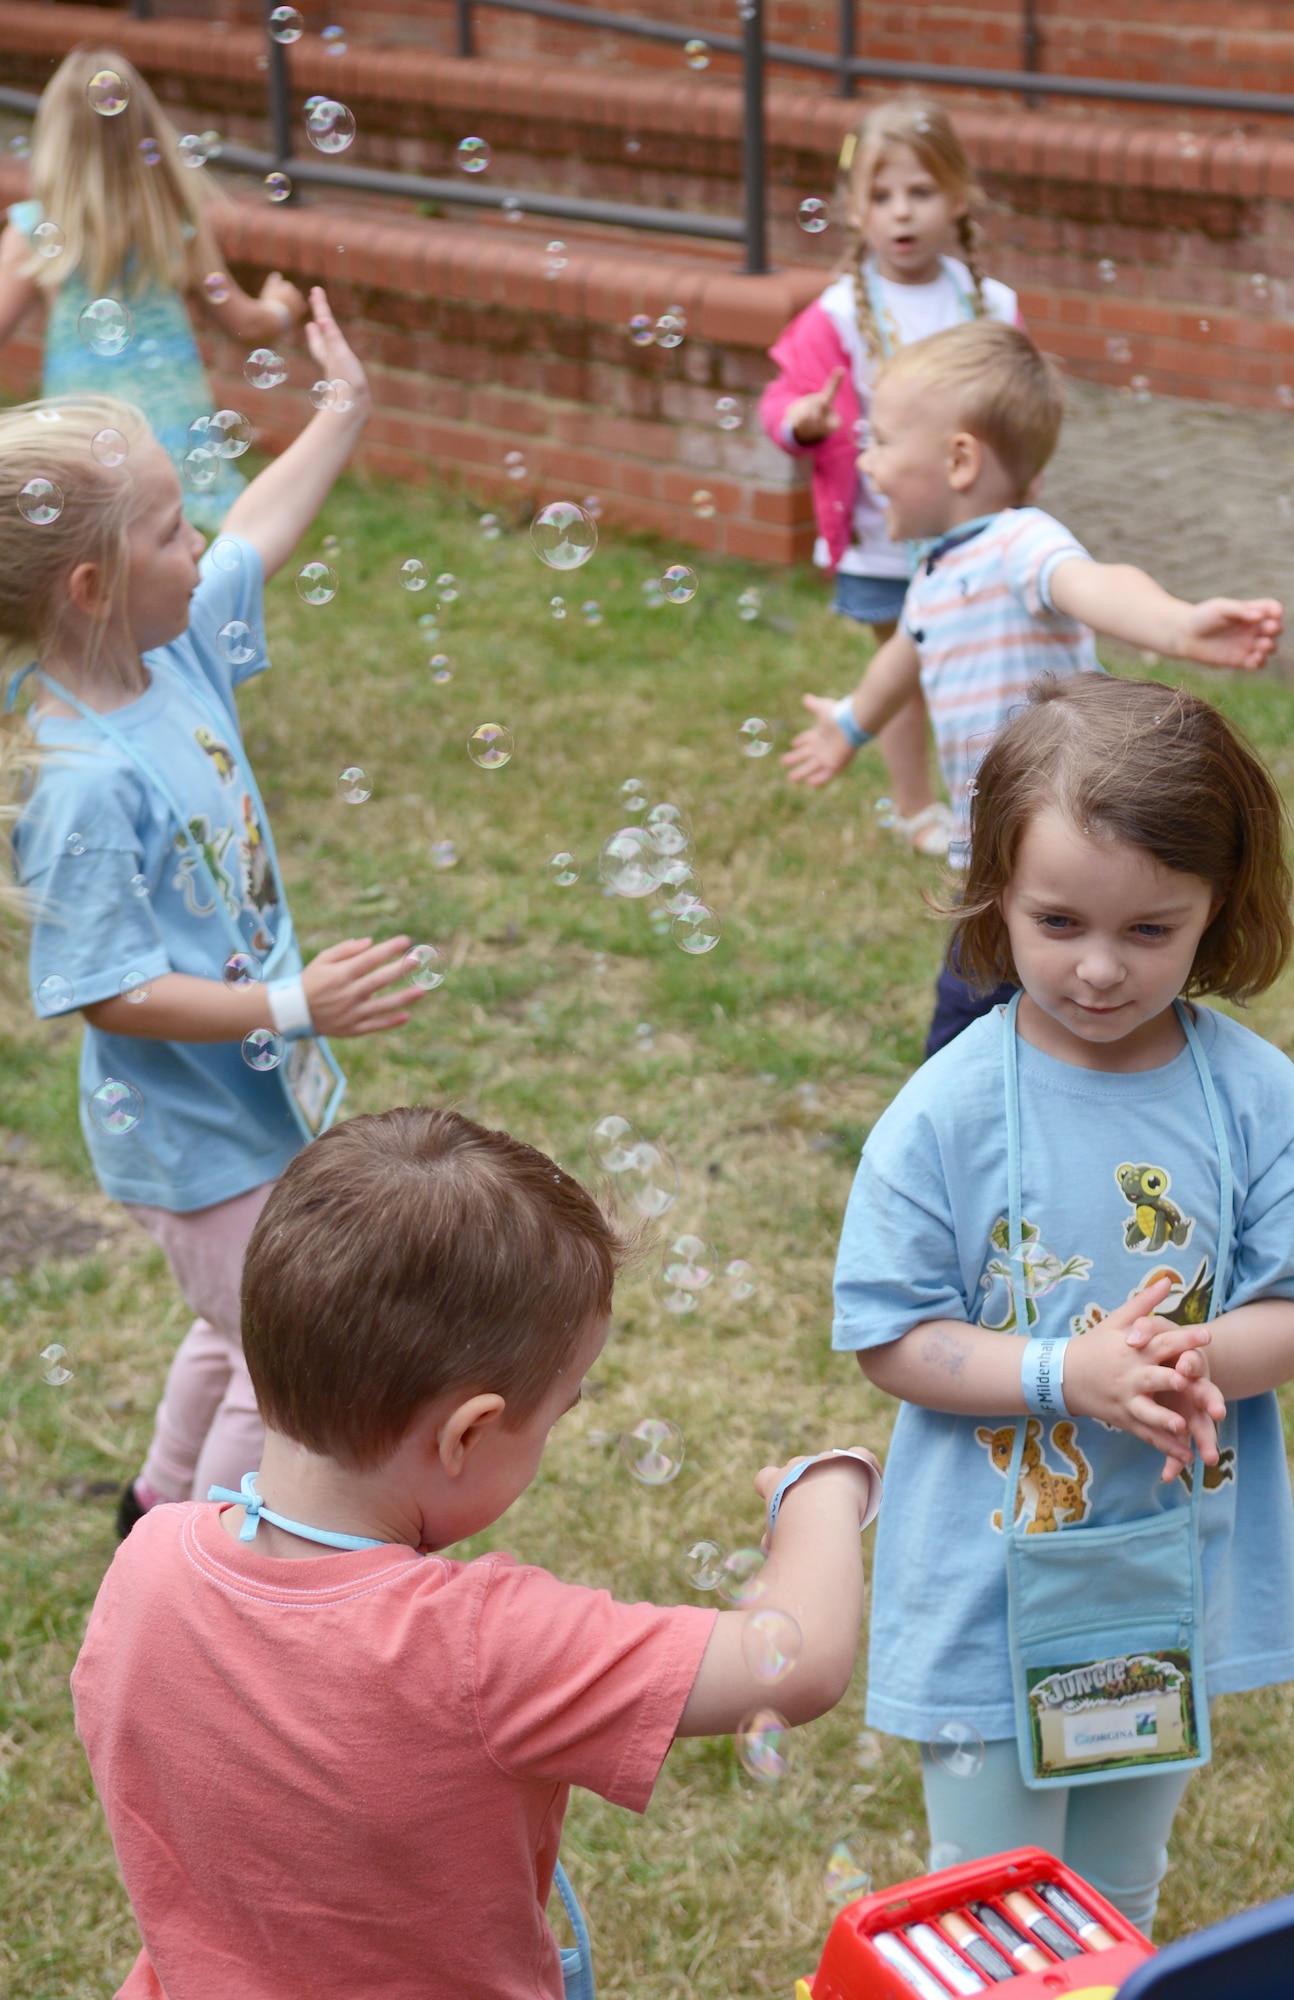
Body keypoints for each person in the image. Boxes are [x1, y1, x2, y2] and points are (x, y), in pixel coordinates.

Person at [71, 1106, 882, 2000]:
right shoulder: (482, 1648)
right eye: (557, 1415)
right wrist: (824, 1494)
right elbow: (795, 1664)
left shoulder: (146, 1564)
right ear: (470, 1434)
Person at [831, 674, 1294, 1935]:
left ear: (1218, 910)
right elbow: (890, 1333)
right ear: (994, 894)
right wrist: (1061, 1374)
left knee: (1115, 1899)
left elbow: (1288, 1306)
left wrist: (1189, 1356)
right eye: (1058, 919)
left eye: (1151, 929)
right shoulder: (947, 1109)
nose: (1098, 967)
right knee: (992, 1909)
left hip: (1159, 1570)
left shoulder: (1255, 1095)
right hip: (988, 1578)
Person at [6, 291, 423, 1535]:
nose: (205, 549)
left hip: (259, 1094)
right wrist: (290, 1002)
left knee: (231, 1321)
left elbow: (260, 528)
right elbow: (104, 986)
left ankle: (152, 1506)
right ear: (93, 585)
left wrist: (343, 409)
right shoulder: (82, 780)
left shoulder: (170, 646)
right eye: (172, 530)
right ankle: (206, 1563)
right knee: (278, 1356)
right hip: (192, 1134)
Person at [783, 320, 1283, 1056]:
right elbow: (904, 660)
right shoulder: (935, 572)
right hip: (1000, 864)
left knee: (1003, 1016)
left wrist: (1174, 626)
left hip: (1073, 847)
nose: (868, 463)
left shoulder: (1017, 540)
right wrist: (850, 725)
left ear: (959, 460)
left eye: (881, 441)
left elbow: (1091, 582)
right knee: (998, 1013)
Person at [761, 98, 1022, 858]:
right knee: (900, 672)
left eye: (920, 192)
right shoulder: (838, 314)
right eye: (881, 196)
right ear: (854, 210)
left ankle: (995, 800)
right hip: (884, 539)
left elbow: (1023, 406)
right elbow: (780, 402)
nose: (901, 213)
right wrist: (802, 422)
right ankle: (917, 808)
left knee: (978, 669)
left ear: (959, 197)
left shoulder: (991, 306)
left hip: (977, 535)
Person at [0, 46, 306, 530]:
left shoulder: (35, 229)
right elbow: (246, 324)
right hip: (174, 449)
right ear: (144, 129)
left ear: (55, 138)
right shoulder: (172, 222)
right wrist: (282, 308)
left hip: (83, 448)